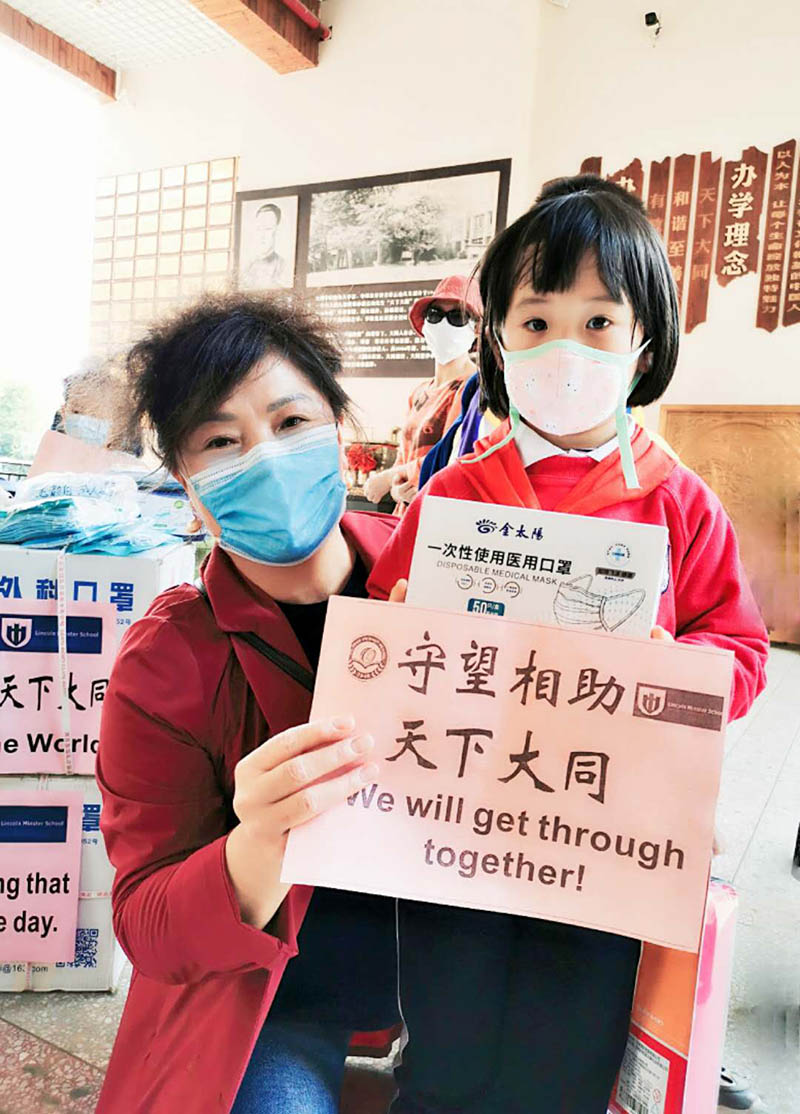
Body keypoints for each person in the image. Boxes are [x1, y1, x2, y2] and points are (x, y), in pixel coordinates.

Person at [368, 175, 769, 1113]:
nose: (565, 350)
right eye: (536, 322)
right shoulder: (454, 497)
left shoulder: (679, 502)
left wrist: (682, 670)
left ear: (644, 345)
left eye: (598, 323)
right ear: (499, 342)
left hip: (602, 838)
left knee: (567, 1055)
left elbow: (740, 648)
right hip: (457, 836)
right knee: (446, 1048)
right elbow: (385, 633)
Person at [95, 293, 401, 1114]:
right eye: (223, 443)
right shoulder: (166, 664)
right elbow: (148, 924)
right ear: (188, 485)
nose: (266, 457)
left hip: (470, 987)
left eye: (293, 422)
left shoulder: (445, 584)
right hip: (276, 1005)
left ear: (340, 429)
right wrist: (257, 843)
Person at [363, 274, 482, 513]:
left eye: (457, 317)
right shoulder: (419, 392)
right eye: (435, 315)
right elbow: (404, 455)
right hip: (406, 511)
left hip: (440, 513)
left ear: (476, 327)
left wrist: (388, 478)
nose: (444, 325)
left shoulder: (474, 387)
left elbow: (452, 454)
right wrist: (397, 487)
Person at [244, 202, 288, 289]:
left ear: (277, 231)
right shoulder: (248, 267)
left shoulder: (283, 266)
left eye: (268, 228)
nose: (262, 235)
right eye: (259, 229)